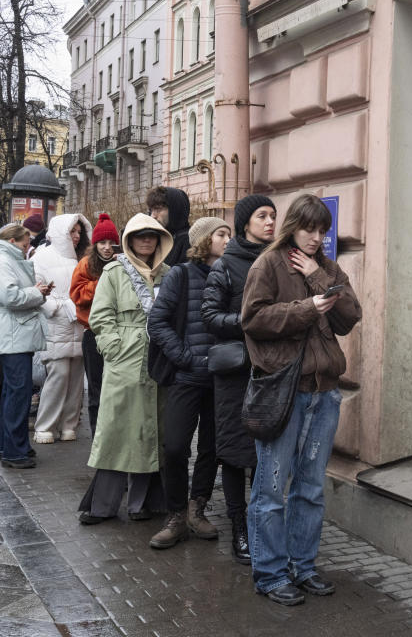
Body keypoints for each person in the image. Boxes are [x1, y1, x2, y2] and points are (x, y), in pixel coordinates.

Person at [241, 194, 362, 606]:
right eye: (309, 229)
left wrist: (319, 278)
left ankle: (302, 566)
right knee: (272, 488)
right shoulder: (268, 264)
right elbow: (253, 320)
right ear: (293, 225)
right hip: (283, 392)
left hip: (324, 393)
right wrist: (307, 308)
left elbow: (350, 317)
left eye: (322, 230)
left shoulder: (326, 267)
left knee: (310, 488)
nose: (316, 237)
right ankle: (271, 573)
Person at [78, 213, 173, 524]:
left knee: (150, 429)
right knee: (117, 430)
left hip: (158, 359)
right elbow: (100, 316)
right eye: (140, 235)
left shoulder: (169, 274)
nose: (146, 241)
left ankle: (143, 503)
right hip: (126, 359)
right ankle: (103, 506)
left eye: (152, 235)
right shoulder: (115, 272)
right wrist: (115, 348)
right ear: (130, 240)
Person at [147, 216, 233, 549]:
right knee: (176, 447)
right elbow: (158, 322)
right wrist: (185, 357)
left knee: (212, 448)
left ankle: (198, 510)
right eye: (221, 234)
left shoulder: (230, 275)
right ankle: (176, 515)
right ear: (203, 240)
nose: (228, 239)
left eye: (229, 234)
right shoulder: (180, 275)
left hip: (221, 379)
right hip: (186, 376)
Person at [202, 194, 277, 565]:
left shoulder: (279, 261)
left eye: (273, 216)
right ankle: (239, 526)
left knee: (265, 452)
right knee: (234, 452)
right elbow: (211, 317)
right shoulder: (226, 266)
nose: (269, 222)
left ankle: (261, 521)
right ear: (245, 222)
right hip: (235, 373)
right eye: (262, 216)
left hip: (271, 371)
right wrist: (249, 324)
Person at [0, 223, 52, 469]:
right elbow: (11, 297)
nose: (28, 246)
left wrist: (36, 292)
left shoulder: (5, 259)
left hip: (15, 332)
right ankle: (14, 451)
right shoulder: (4, 262)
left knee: (14, 393)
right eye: (25, 242)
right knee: (18, 394)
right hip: (14, 333)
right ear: (13, 241)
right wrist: (36, 293)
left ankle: (10, 446)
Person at [31, 213, 92, 444]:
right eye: (72, 232)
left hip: (81, 323)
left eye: (79, 232)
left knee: (77, 380)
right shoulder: (42, 257)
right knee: (58, 376)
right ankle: (45, 425)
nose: (77, 236)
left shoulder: (83, 257)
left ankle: (69, 424)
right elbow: (36, 289)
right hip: (56, 326)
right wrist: (58, 306)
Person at [70, 213, 120, 437]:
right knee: (96, 388)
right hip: (93, 332)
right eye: (102, 242)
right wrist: (102, 284)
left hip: (120, 332)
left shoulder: (123, 264)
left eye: (111, 243)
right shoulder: (85, 264)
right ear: (95, 244)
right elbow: (77, 295)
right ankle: (98, 436)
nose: (107, 248)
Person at [146, 186, 190, 266]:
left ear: (175, 210)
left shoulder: (189, 241)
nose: (153, 216)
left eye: (158, 209)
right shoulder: (154, 238)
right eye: (151, 210)